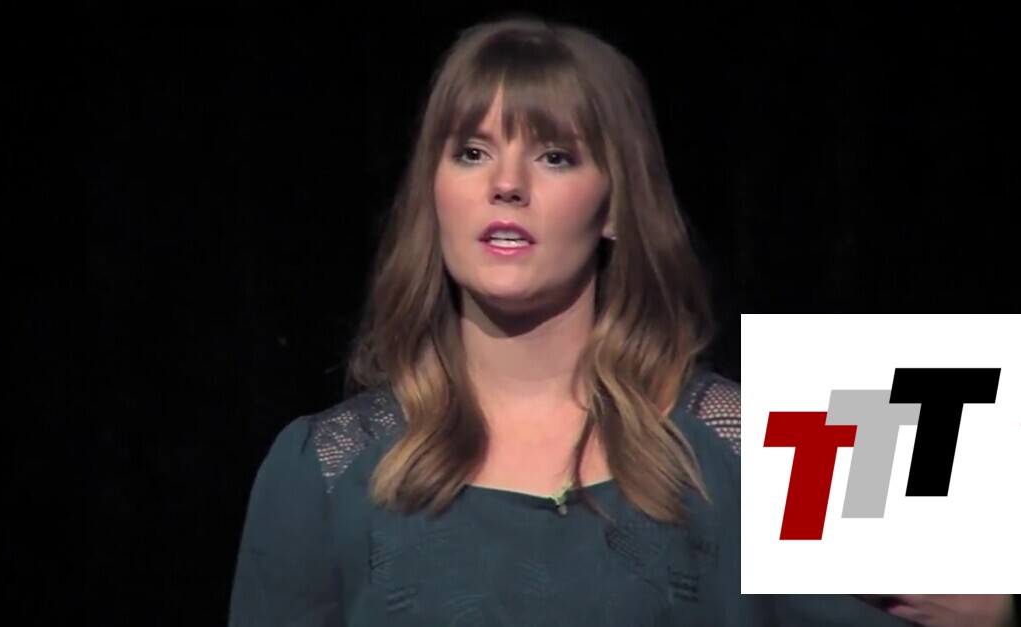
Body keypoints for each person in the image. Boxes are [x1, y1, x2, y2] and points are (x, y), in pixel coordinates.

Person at [228, 15, 1018, 626]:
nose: (506, 183)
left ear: (613, 205)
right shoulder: (321, 468)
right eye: (471, 151)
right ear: (433, 192)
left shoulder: (767, 445)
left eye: (554, 155)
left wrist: (991, 612)